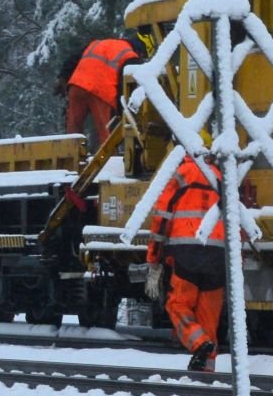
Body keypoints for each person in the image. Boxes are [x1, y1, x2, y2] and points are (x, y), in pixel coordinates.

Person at [148, 154, 226, 372]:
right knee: (208, 316)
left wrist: (154, 257)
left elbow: (162, 216)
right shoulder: (220, 177)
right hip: (218, 255)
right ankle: (206, 372)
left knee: (178, 305)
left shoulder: (181, 174)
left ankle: (198, 343)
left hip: (186, 252)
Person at [65, 36, 140, 150]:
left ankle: (70, 157)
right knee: (106, 132)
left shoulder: (96, 43)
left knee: (73, 128)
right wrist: (121, 111)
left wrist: (62, 78)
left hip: (77, 85)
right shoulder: (129, 54)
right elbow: (123, 86)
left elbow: (73, 59)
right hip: (100, 92)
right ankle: (110, 161)